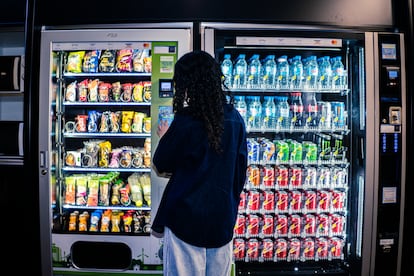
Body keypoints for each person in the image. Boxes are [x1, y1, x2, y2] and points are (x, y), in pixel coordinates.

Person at [151, 50, 247, 276]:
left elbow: (162, 162)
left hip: (185, 221)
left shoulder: (186, 120)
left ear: (188, 83)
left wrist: (166, 137)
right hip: (221, 222)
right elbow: (239, 174)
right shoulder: (235, 119)